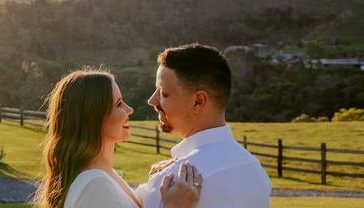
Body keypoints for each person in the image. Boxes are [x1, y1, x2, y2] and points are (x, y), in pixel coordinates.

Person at [35, 69, 202, 208]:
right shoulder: (95, 186)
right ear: (94, 116)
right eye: (119, 103)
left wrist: (155, 181)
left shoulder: (103, 176)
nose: (129, 110)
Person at [137, 44, 272, 208]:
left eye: (163, 93)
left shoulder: (170, 184)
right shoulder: (256, 171)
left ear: (198, 102)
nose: (152, 101)